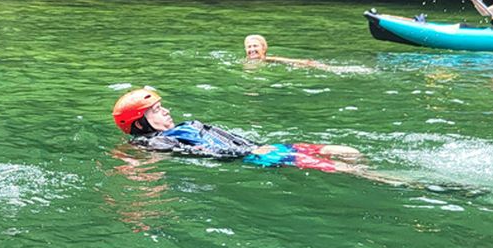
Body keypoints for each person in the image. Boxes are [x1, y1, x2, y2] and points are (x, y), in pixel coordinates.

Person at [111, 87, 363, 171]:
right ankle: (385, 177)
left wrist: (252, 145)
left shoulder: (180, 127)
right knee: (343, 168)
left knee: (346, 151)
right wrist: (247, 154)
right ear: (139, 123)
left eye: (161, 106)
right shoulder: (153, 142)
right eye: (155, 110)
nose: (165, 111)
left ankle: (366, 166)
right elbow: (198, 152)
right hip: (256, 155)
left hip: (256, 147)